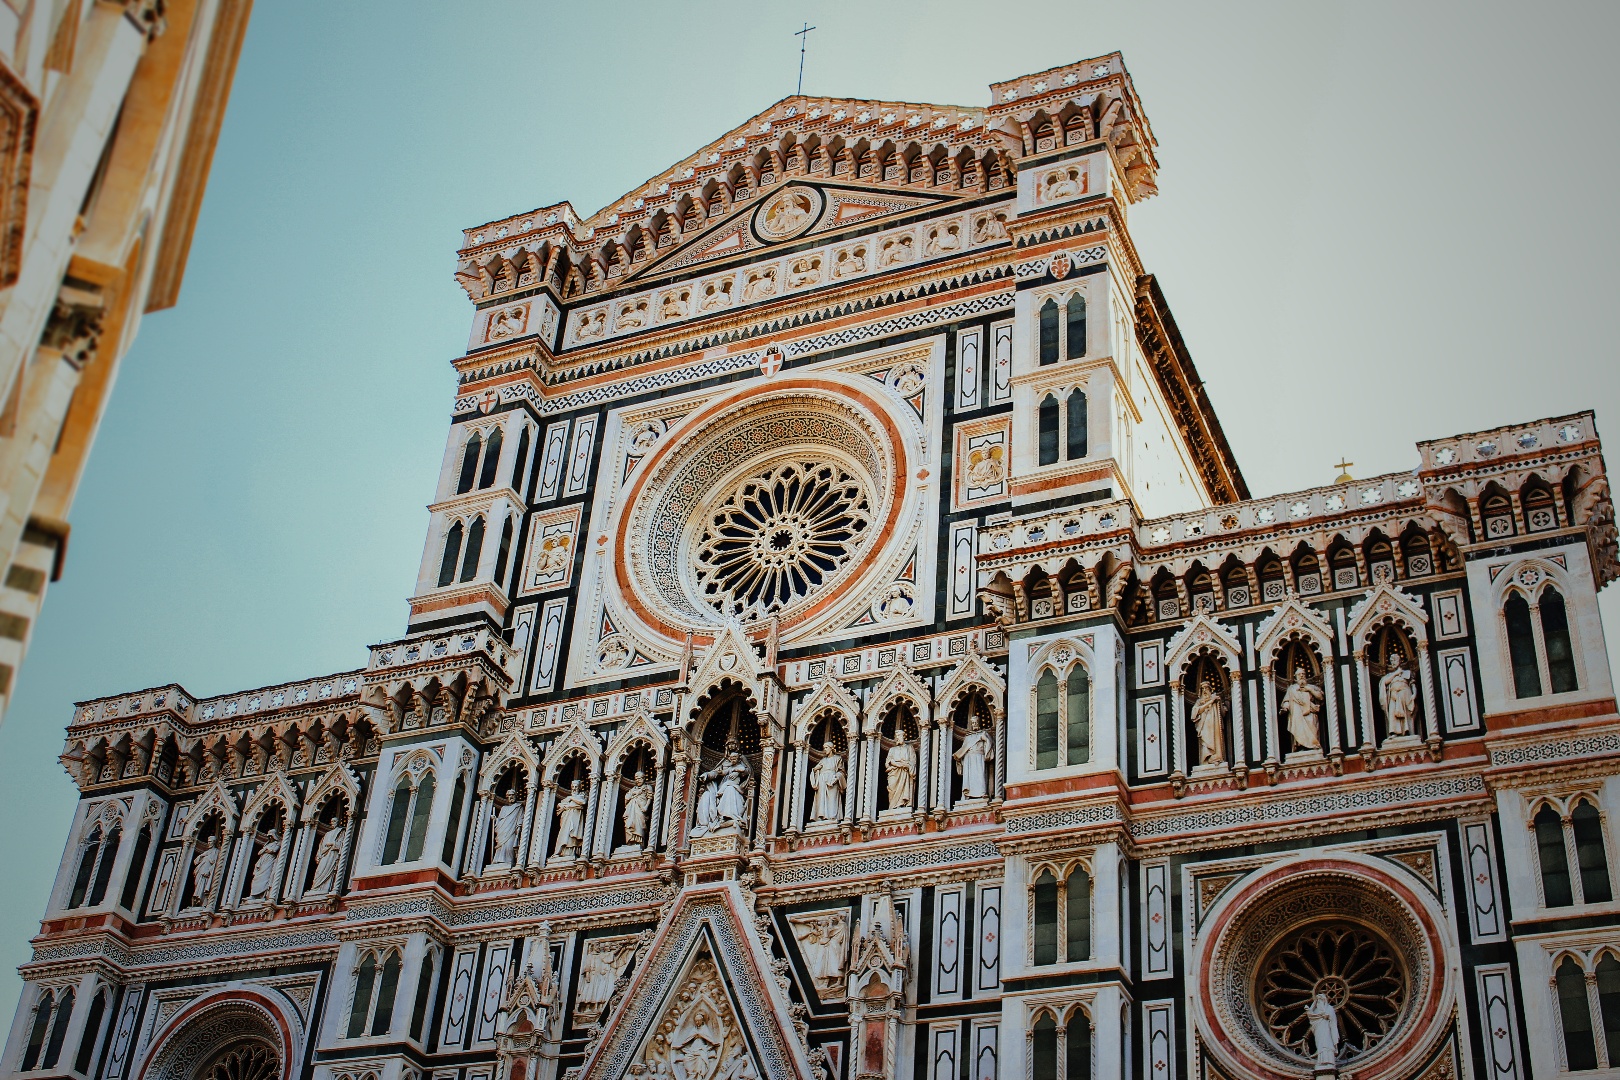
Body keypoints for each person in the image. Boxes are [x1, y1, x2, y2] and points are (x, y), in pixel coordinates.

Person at [1280, 668, 1325, 752]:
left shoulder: (1312, 687)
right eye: (1299, 674)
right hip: (1297, 714)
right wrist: (1285, 708)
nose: (1301, 676)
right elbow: (1287, 701)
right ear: (1295, 677)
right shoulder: (1291, 689)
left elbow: (1320, 697)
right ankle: (1300, 747)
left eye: (1303, 674)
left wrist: (1309, 689)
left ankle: (1313, 746)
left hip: (1310, 712)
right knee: (1299, 730)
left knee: (1312, 728)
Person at [1380, 652, 1417, 736]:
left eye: (1395, 660)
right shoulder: (1389, 675)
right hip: (1393, 696)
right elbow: (1385, 682)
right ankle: (1395, 732)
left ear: (1400, 661)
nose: (1393, 662)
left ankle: (1407, 731)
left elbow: (1412, 684)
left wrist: (1414, 694)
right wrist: (1396, 673)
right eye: (1391, 661)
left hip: (1405, 693)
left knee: (1406, 713)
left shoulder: (1407, 672)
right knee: (1393, 712)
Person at [954, 717, 991, 800]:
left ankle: (982, 792)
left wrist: (986, 739)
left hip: (979, 756)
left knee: (980, 775)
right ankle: (967, 794)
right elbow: (964, 749)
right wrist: (959, 758)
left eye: (976, 722)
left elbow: (990, 744)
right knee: (969, 778)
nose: (974, 724)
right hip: (969, 758)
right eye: (973, 723)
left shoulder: (983, 733)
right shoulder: (968, 737)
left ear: (979, 723)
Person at [1191, 677, 1226, 765]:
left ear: (1210, 690)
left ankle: (1215, 758)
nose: (1205, 691)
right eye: (1203, 689)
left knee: (1215, 740)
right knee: (1205, 743)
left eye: (1206, 688)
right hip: (1204, 727)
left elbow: (1223, 713)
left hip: (1214, 726)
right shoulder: (1199, 701)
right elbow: (1195, 712)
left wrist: (1219, 702)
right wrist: (1210, 702)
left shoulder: (1216, 700)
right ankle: (1206, 760)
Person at [552, 780, 588, 859]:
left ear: (579, 787)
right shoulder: (567, 798)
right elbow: (559, 805)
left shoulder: (582, 796)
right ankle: (561, 851)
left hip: (576, 818)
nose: (574, 788)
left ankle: (571, 852)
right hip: (567, 818)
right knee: (565, 834)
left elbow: (583, 803)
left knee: (572, 835)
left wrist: (571, 799)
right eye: (573, 787)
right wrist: (565, 806)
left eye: (576, 786)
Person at [1306, 990, 1340, 1069]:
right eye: (1318, 1000)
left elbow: (1333, 1020)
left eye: (1320, 1000)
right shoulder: (1316, 1010)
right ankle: (1321, 1062)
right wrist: (1309, 1009)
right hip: (1319, 1030)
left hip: (1327, 1029)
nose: (1319, 1002)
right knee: (1320, 1045)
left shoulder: (1329, 1008)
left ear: (1324, 1000)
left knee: (1327, 1044)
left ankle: (1329, 1061)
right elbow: (1311, 1016)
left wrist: (1327, 1016)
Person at [809, 748, 845, 823]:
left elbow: (842, 771)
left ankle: (832, 817)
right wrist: (815, 770)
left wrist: (836, 778)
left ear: (831, 748)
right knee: (821, 798)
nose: (824, 749)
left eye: (826, 747)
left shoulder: (838, 758)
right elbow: (814, 770)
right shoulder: (823, 760)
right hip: (822, 780)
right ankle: (821, 816)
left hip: (832, 779)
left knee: (832, 798)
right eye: (824, 748)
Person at [307, 826, 343, 896]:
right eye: (332, 821)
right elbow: (321, 847)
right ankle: (316, 888)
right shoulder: (326, 834)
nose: (333, 822)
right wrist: (318, 855)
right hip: (324, 855)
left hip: (332, 854)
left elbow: (341, 844)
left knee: (329, 869)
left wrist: (333, 844)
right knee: (319, 871)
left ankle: (325, 888)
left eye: (335, 821)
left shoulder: (340, 831)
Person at [621, 769, 653, 846]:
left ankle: (639, 842)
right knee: (629, 823)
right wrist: (631, 796)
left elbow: (650, 797)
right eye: (636, 779)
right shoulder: (633, 789)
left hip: (640, 808)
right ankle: (630, 841)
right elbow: (627, 798)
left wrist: (646, 807)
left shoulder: (647, 787)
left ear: (643, 778)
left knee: (639, 824)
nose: (637, 781)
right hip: (631, 808)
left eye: (639, 778)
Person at [246, 830, 281, 899]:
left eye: (271, 836)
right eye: (269, 836)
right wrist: (266, 849)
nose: (270, 837)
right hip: (262, 861)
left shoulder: (277, 843)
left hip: (269, 862)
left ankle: (262, 895)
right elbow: (259, 853)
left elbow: (273, 850)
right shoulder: (267, 845)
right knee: (256, 878)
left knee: (265, 877)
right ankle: (253, 895)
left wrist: (266, 850)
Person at [885, 734, 917, 808]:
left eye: (899, 736)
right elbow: (888, 762)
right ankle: (892, 806)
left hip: (904, 771)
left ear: (903, 737)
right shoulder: (892, 749)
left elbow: (913, 761)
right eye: (896, 737)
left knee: (904, 788)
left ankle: (902, 804)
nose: (897, 738)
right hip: (894, 771)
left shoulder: (909, 748)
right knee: (892, 788)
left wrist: (907, 765)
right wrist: (897, 764)